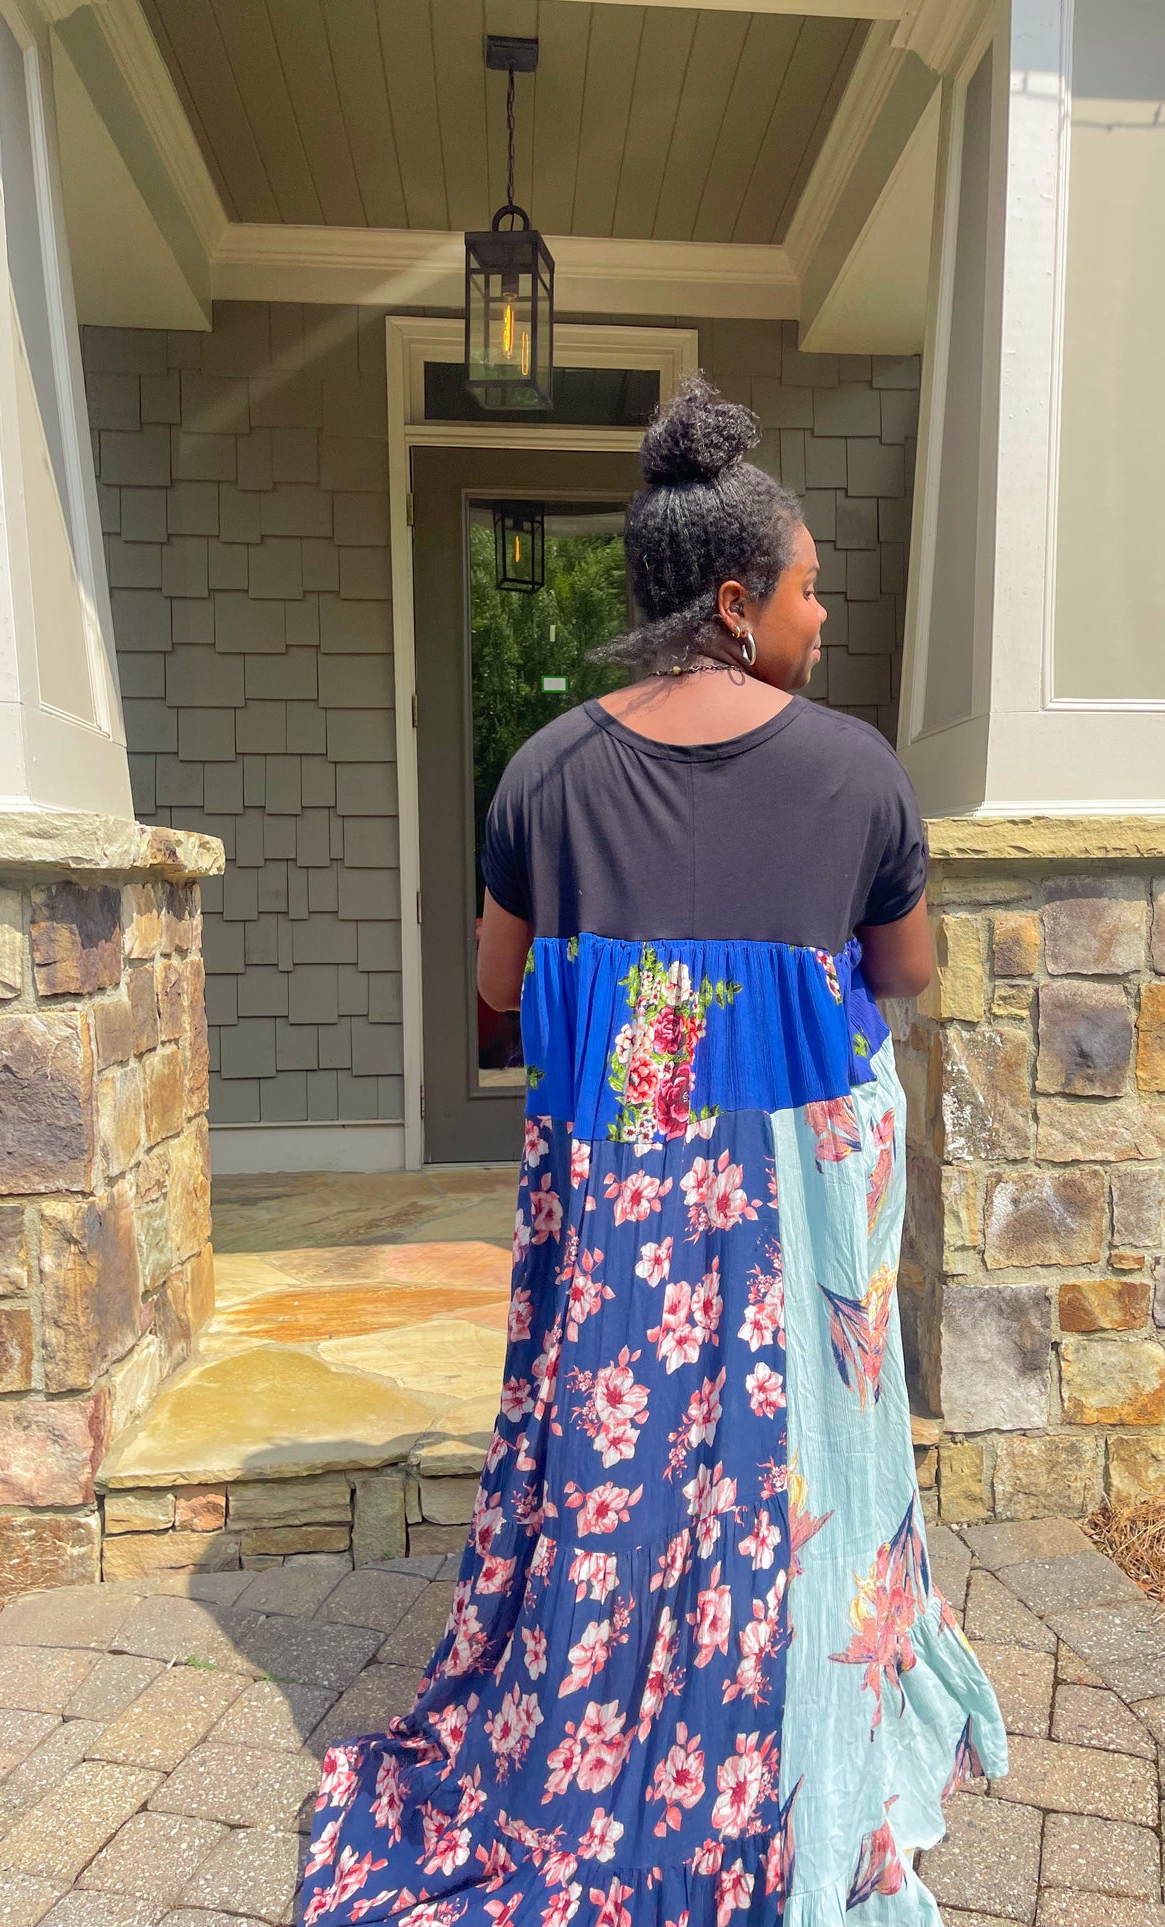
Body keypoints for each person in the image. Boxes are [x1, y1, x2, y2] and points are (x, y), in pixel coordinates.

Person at [297, 376, 1007, 1927]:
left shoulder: (545, 771)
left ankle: (604, 1706)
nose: (824, 613)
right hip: (799, 1208)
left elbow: (498, 994)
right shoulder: (857, 771)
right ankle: (796, 1710)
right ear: (738, 601)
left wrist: (650, 1000)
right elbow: (904, 975)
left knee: (624, 1454)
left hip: (627, 1195)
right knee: (789, 1459)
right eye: (808, 587)